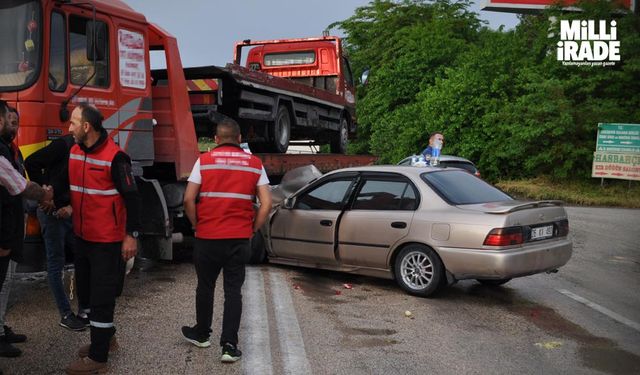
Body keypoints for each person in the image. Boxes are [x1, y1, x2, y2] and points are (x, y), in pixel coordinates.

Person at [181, 118, 272, 363]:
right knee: (233, 291)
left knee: (205, 286)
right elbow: (266, 204)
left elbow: (189, 199)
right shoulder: (254, 164)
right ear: (240, 139)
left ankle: (201, 334)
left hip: (208, 236)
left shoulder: (205, 161)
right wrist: (252, 229)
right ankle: (229, 346)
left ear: (216, 139)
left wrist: (195, 224)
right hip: (239, 238)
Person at [64, 103, 141, 375]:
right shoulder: (74, 151)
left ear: (87, 127)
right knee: (85, 294)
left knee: (101, 297)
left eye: (73, 122)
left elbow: (132, 199)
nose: (69, 127)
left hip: (107, 242)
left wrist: (130, 235)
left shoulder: (116, 158)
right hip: (83, 237)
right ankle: (106, 339)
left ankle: (98, 359)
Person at [25, 133, 89, 331]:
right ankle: (66, 314)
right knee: (56, 263)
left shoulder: (88, 150)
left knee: (82, 257)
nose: (71, 126)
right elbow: (32, 162)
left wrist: (69, 205)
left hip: (69, 211)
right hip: (51, 212)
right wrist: (45, 193)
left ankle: (84, 311)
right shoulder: (64, 144)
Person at [0, 104, 29, 358]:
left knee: (7, 281)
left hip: (12, 226)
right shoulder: (2, 153)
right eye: (9, 120)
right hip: (4, 230)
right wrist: (45, 195)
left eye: (16, 122)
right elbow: (18, 186)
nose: (13, 125)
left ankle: (0, 326)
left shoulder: (13, 151)